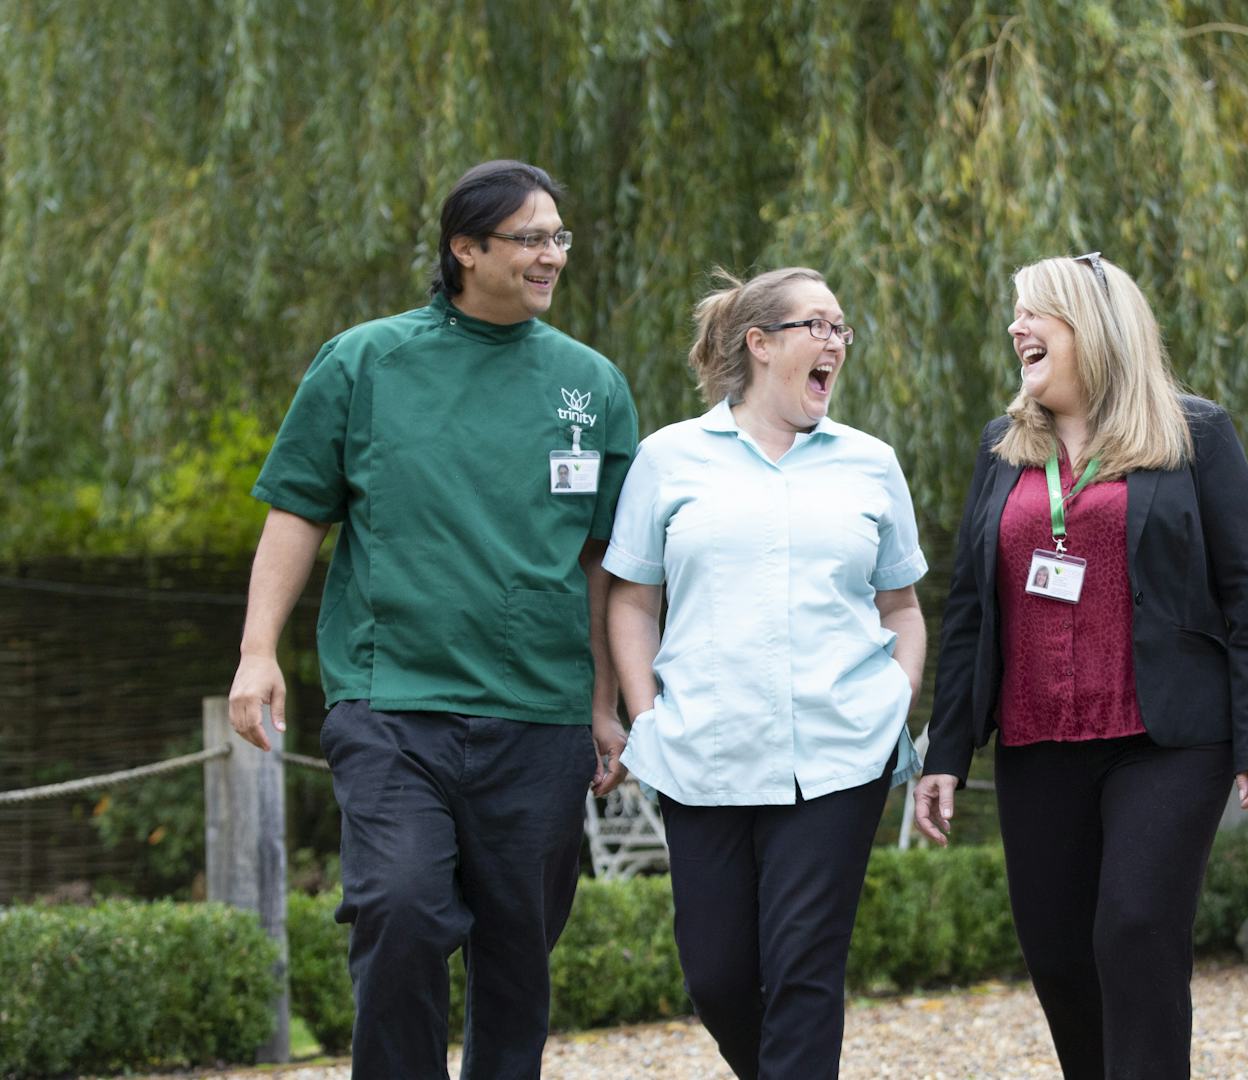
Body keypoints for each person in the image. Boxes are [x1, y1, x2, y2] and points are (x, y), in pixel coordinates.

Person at [225, 160, 638, 1079]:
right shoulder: (364, 361)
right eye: (531, 238)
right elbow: (296, 509)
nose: (551, 256)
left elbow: (607, 563)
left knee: (518, 950)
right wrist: (258, 651)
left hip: (538, 712)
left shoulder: (592, 385)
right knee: (402, 911)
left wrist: (602, 705)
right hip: (391, 702)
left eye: (559, 238)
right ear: (465, 247)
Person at [914, 253, 1248, 1079]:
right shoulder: (1003, 447)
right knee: (1056, 953)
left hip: (1165, 738)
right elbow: (971, 608)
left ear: (1094, 324)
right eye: (1015, 313)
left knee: (1135, 926)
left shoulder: (1195, 435)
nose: (1016, 328)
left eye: (1035, 312)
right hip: (1037, 739)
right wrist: (943, 753)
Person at [600, 267, 927, 1078]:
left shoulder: (870, 463)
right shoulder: (667, 458)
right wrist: (645, 717)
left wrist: (895, 701)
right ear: (760, 343)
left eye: (842, 329)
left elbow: (904, 610)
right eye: (817, 325)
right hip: (702, 753)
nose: (835, 342)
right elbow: (633, 602)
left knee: (805, 973)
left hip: (840, 753)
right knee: (716, 976)